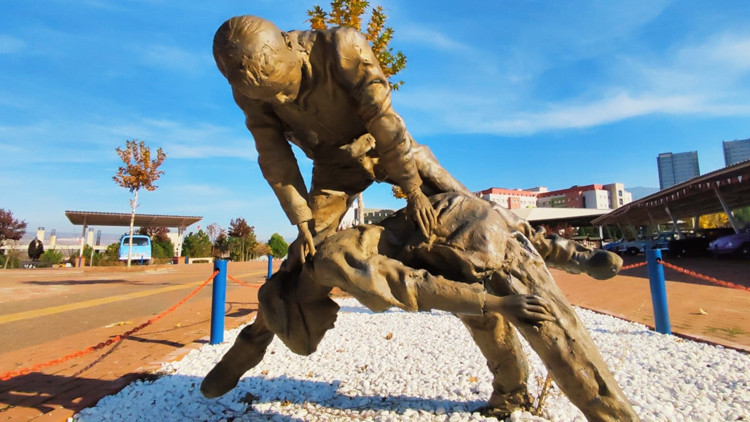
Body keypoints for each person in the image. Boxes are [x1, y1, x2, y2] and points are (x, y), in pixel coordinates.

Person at [212, 15, 622, 281]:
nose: (283, 101)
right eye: (271, 98)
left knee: (468, 203)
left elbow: (385, 121)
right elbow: (274, 156)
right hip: (333, 170)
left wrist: (412, 189)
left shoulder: (342, 47)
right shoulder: (247, 92)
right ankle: (255, 341)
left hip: (387, 147)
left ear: (289, 46)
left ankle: (570, 255)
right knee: (301, 262)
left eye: (286, 88)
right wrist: (301, 218)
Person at [201, 192, 640, 421]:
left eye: (315, 333)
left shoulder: (332, 263)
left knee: (552, 331)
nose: (329, 328)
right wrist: (227, 370)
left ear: (302, 313)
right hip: (444, 236)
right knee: (484, 317)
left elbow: (411, 286)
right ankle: (512, 393)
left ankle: (613, 416)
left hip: (459, 237)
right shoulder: (292, 278)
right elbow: (262, 327)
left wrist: (499, 301)